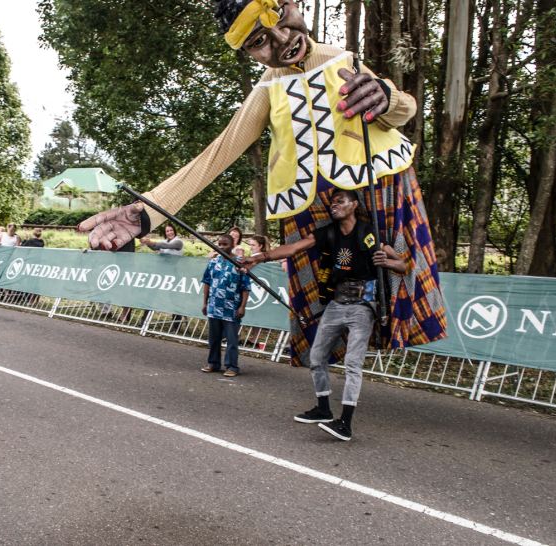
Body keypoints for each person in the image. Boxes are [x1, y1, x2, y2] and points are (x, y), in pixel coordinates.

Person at [78, 0, 446, 368]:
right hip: (310, 205)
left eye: (281, 19)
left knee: (393, 282)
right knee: (327, 308)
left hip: (379, 184)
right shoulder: (268, 88)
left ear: (292, 4)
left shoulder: (343, 60)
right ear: (247, 52)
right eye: (259, 41)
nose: (282, 39)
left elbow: (406, 109)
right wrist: (146, 214)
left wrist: (387, 96)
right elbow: (217, 154)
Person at [245, 188, 407, 441]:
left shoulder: (369, 232)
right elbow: (295, 248)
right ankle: (323, 408)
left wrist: (387, 262)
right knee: (317, 356)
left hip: (363, 306)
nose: (334, 205)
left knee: (353, 364)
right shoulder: (328, 233)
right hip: (336, 304)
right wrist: (261, 257)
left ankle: (346, 423)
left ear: (354, 205)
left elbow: (403, 265)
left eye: (340, 201)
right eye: (332, 202)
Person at [201, 233, 251, 377]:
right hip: (214, 305)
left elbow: (246, 287)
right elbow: (206, 282)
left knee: (232, 339)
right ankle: (213, 363)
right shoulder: (212, 262)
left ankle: (232, 366)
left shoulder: (239, 263)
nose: (222, 247)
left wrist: (242, 306)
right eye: (220, 244)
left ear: (233, 246)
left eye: (225, 244)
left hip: (231, 307)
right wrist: (205, 303)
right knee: (214, 338)